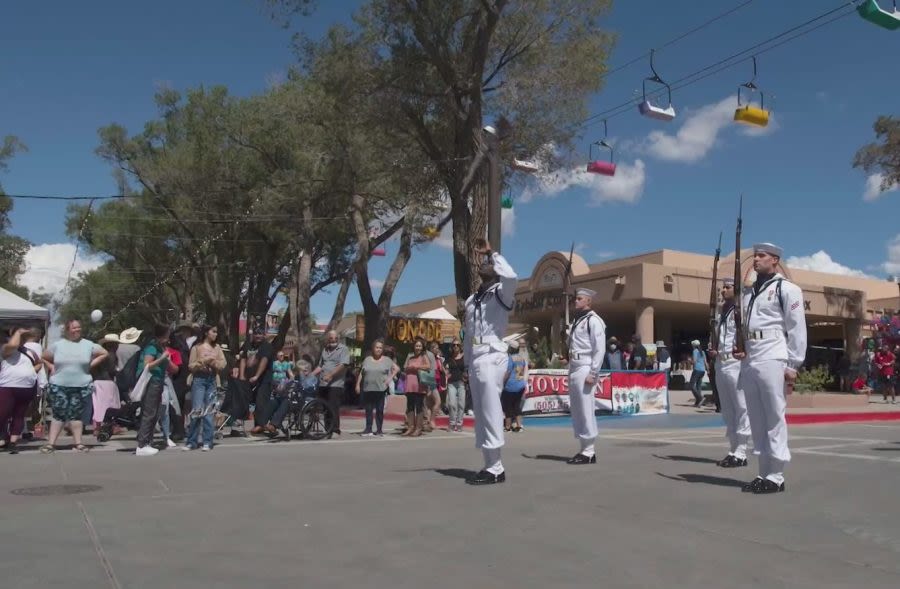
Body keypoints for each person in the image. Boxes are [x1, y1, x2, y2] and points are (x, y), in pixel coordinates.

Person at [734, 243, 807, 494]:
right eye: (755, 255)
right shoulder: (751, 292)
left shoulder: (786, 289)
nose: (755, 259)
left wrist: (793, 363)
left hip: (773, 353)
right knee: (756, 417)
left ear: (774, 260)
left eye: (761, 255)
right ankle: (763, 472)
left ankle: (776, 475)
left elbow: (796, 327)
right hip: (751, 355)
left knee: (774, 415)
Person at [463, 238, 517, 485]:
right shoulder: (471, 300)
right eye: (483, 260)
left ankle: (496, 467)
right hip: (476, 358)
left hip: (493, 355)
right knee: (482, 413)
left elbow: (512, 277)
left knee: (491, 409)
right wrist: (466, 364)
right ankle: (490, 464)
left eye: (490, 262)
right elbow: (469, 334)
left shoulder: (500, 293)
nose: (485, 262)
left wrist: (493, 253)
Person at [41, 319, 109, 454]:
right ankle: (51, 444)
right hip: (59, 384)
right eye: (74, 328)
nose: (77, 330)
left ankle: (78, 443)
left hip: (81, 384)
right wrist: (51, 366)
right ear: (67, 330)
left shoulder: (89, 345)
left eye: (79, 327)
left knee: (76, 415)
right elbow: (43, 357)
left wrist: (90, 364)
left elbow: (104, 353)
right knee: (58, 414)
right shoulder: (58, 345)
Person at [707, 278, 751, 468]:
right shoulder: (719, 312)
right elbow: (716, 336)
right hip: (720, 362)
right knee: (727, 409)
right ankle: (733, 449)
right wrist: (712, 348)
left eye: (727, 287)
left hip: (735, 362)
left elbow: (747, 335)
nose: (723, 290)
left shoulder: (742, 310)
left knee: (741, 407)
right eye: (722, 287)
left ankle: (741, 451)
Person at [564, 288, 606, 465]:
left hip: (585, 368)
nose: (576, 301)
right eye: (576, 298)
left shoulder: (594, 321)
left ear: (588, 301)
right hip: (574, 366)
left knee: (585, 409)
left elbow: (599, 349)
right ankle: (584, 448)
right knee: (577, 409)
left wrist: (594, 372)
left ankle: (589, 450)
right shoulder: (578, 320)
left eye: (579, 298)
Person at [135, 324, 177, 457]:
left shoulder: (161, 348)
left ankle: (147, 441)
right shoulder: (152, 347)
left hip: (159, 381)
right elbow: (148, 365)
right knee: (149, 412)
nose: (169, 338)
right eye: (167, 335)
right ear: (162, 335)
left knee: (155, 412)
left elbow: (174, 369)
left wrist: (167, 360)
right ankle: (142, 444)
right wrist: (162, 359)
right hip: (151, 381)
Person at [0, 327, 43, 454]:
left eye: (25, 337)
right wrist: (18, 332)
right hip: (7, 385)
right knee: (2, 414)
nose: (23, 339)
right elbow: (13, 345)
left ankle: (13, 442)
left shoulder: (29, 351)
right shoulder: (6, 348)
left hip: (27, 387)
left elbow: (39, 362)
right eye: (20, 336)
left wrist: (32, 372)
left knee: (19, 415)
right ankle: (3, 438)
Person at [184, 325, 226, 450]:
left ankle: (207, 441)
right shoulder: (196, 348)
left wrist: (213, 362)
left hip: (212, 379)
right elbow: (191, 366)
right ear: (207, 333)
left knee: (209, 411)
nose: (215, 334)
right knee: (196, 410)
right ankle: (192, 441)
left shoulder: (217, 348)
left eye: (216, 332)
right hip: (199, 380)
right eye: (213, 331)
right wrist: (202, 361)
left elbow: (223, 364)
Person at [355, 339, 399, 436]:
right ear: (373, 349)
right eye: (377, 347)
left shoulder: (387, 360)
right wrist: (357, 384)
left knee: (379, 410)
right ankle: (368, 429)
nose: (378, 349)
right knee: (368, 410)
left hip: (380, 388)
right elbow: (362, 373)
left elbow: (396, 368)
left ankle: (379, 430)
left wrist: (389, 378)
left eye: (380, 348)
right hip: (367, 388)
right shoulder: (367, 359)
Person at [312, 330, 350, 438]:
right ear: (328, 339)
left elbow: (343, 364)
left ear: (338, 338)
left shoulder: (343, 349)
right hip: (323, 384)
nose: (333, 340)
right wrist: (311, 374)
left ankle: (335, 430)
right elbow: (321, 366)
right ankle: (327, 430)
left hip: (335, 384)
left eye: (335, 338)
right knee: (325, 408)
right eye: (331, 338)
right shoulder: (325, 349)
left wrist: (330, 375)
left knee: (333, 407)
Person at [243, 327, 275, 435]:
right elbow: (243, 358)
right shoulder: (248, 345)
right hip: (249, 379)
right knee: (248, 402)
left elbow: (264, 361)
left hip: (264, 380)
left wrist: (257, 376)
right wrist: (241, 374)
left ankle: (260, 425)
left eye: (260, 333)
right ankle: (250, 425)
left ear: (264, 335)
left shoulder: (267, 346)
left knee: (260, 402)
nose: (258, 336)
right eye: (256, 333)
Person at [90, 334, 121, 437]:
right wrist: (118, 372)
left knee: (98, 405)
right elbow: (112, 370)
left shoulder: (98, 355)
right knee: (109, 406)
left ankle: (97, 427)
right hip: (108, 382)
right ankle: (109, 426)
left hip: (97, 381)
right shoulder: (111, 355)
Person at [401, 337, 432, 437]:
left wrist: (416, 367)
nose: (418, 347)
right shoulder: (410, 357)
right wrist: (408, 368)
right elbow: (405, 367)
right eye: (416, 345)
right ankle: (410, 427)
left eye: (419, 346)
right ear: (413, 347)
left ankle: (418, 428)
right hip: (410, 384)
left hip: (419, 385)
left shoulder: (424, 356)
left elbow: (428, 367)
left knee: (419, 407)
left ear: (422, 347)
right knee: (410, 406)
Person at [501, 340, 528, 433]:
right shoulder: (522, 358)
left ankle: (508, 427)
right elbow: (523, 370)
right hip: (520, 385)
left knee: (508, 407)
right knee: (517, 406)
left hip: (510, 386)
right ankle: (519, 426)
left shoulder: (510, 358)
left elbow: (508, 372)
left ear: (511, 349)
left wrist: (502, 382)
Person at [445, 339, 467, 432]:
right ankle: (452, 423)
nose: (456, 347)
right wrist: (446, 373)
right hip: (451, 383)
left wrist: (466, 376)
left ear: (460, 346)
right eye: (454, 345)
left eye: (457, 345)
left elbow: (467, 368)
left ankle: (459, 424)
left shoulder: (464, 357)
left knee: (461, 404)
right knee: (451, 404)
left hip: (461, 383)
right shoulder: (449, 357)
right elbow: (444, 367)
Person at [689, 340, 706, 407]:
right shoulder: (702, 352)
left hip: (697, 369)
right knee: (698, 386)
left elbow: (694, 361)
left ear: (694, 345)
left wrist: (690, 360)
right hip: (703, 370)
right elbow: (705, 361)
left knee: (691, 385)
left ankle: (700, 398)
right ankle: (698, 402)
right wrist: (708, 370)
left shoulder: (695, 351)